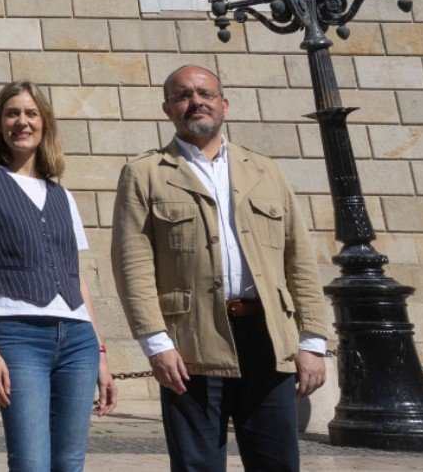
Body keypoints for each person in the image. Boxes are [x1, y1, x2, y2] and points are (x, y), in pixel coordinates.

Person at [112, 65, 330, 472]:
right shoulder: (144, 174)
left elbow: (298, 258)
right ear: (167, 108)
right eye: (183, 96)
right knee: (198, 466)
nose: (196, 102)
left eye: (205, 93)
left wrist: (313, 340)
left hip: (268, 338)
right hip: (191, 343)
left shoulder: (265, 170)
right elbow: (132, 265)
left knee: (277, 463)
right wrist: (156, 343)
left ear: (223, 104)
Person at [0, 81, 116, 472]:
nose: (22, 122)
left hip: (78, 340)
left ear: (44, 123)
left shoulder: (62, 194)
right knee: (31, 462)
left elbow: (76, 278)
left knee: (70, 463)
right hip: (19, 335)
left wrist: (100, 353)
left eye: (31, 114)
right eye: (12, 113)